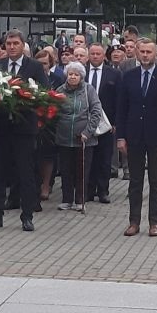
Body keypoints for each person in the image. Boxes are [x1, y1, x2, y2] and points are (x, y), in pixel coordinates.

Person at [0, 29, 49, 232]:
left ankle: (27, 216)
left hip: (24, 128)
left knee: (26, 173)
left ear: (23, 45)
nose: (12, 47)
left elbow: (44, 92)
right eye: (9, 44)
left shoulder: (35, 67)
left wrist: (25, 98)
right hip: (2, 128)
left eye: (15, 43)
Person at [116, 38, 157, 237]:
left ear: (155, 54)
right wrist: (121, 137)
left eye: (148, 52)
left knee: (156, 180)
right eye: (141, 51)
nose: (144, 55)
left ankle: (154, 222)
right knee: (135, 181)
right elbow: (122, 109)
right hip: (134, 136)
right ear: (137, 53)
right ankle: (134, 221)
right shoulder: (129, 76)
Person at [54, 61, 104, 211]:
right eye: (70, 74)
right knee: (66, 170)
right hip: (64, 138)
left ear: (81, 76)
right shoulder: (60, 90)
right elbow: (53, 110)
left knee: (82, 171)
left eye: (76, 74)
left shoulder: (89, 90)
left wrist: (87, 132)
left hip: (84, 139)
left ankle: (80, 200)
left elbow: (96, 111)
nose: (73, 77)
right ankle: (67, 199)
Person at [85, 43, 121, 203]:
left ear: (104, 55)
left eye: (98, 54)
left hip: (107, 123)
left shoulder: (113, 74)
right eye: (92, 53)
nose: (95, 56)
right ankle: (88, 190)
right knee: (89, 158)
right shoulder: (82, 72)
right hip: (85, 123)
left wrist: (116, 122)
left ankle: (103, 190)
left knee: (105, 158)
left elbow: (119, 100)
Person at [34, 49, 61, 200]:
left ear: (50, 64)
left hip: (51, 122)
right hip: (34, 121)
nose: (42, 66)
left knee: (48, 155)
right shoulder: (31, 77)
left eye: (45, 63)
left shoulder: (57, 79)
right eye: (39, 63)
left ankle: (46, 185)